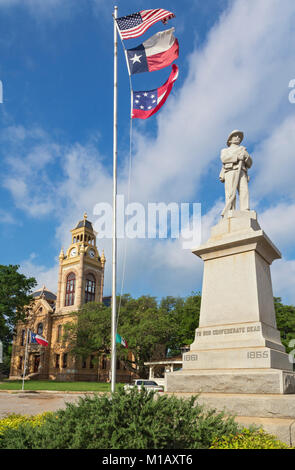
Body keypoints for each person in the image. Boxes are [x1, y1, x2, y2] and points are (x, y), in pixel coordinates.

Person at [219, 130, 252, 212]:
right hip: (230, 171)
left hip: (242, 171)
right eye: (235, 136)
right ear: (230, 140)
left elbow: (250, 163)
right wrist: (237, 157)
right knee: (230, 192)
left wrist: (246, 157)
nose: (238, 138)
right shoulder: (225, 150)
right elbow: (224, 159)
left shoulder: (243, 150)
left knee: (244, 190)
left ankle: (245, 209)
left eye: (239, 136)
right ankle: (230, 210)